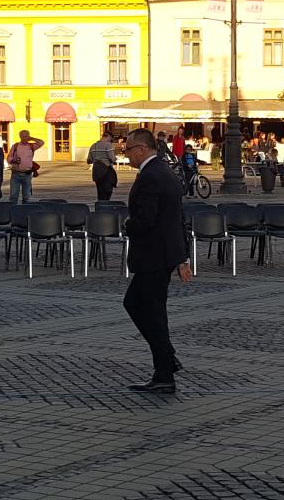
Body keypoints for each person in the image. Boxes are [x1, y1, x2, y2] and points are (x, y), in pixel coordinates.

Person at [121, 128, 192, 394]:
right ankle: (165, 366)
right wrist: (181, 256)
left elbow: (146, 219)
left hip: (153, 254)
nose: (126, 155)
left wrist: (129, 225)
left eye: (128, 150)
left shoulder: (151, 176)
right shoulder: (165, 172)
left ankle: (165, 365)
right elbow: (177, 217)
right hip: (164, 254)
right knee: (152, 310)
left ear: (140, 149)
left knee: (141, 306)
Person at [7, 130, 44, 203]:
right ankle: (12, 211)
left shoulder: (31, 146)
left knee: (26, 197)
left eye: (26, 136)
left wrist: (32, 138)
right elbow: (9, 158)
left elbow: (41, 142)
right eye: (23, 136)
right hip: (16, 174)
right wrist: (13, 161)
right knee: (13, 196)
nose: (25, 138)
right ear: (20, 136)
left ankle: (25, 211)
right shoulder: (15, 146)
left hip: (27, 174)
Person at [87, 131, 118, 201]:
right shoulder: (108, 145)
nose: (111, 141)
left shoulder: (93, 146)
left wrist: (97, 158)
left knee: (100, 191)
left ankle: (100, 207)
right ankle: (106, 207)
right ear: (108, 137)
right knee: (107, 191)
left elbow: (89, 160)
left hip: (96, 172)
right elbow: (112, 158)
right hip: (106, 171)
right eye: (111, 139)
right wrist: (115, 158)